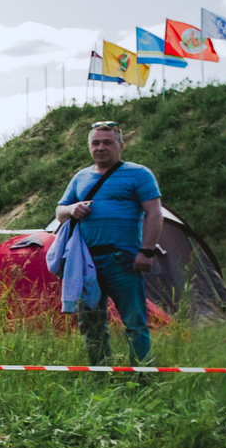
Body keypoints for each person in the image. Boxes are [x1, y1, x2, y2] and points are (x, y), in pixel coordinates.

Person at [52, 121, 162, 374]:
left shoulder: (139, 174)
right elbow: (60, 211)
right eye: (95, 143)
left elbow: (154, 214)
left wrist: (147, 251)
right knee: (90, 324)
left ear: (121, 145)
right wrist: (72, 209)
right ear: (89, 147)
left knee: (135, 323)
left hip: (122, 260)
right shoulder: (80, 177)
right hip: (86, 264)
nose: (101, 147)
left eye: (107, 142)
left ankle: (143, 378)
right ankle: (101, 377)